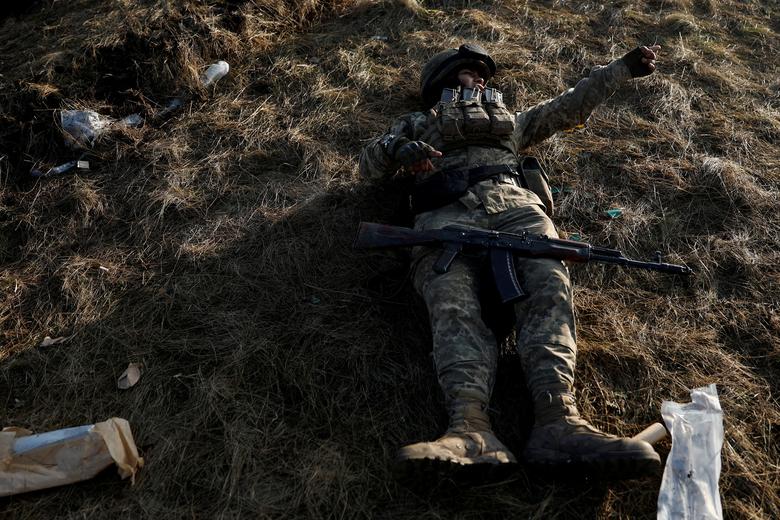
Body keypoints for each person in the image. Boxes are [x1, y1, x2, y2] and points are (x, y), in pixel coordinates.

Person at [359, 42, 663, 481]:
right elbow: (367, 165)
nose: (479, 81)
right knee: (451, 303)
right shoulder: (414, 125)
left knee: (549, 289)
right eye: (468, 74)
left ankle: (559, 422)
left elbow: (569, 106)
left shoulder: (513, 126)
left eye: (483, 76)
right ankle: (468, 430)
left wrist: (621, 69)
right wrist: (398, 149)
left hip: (519, 213)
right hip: (444, 219)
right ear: (442, 83)